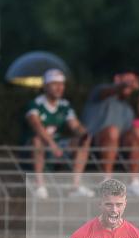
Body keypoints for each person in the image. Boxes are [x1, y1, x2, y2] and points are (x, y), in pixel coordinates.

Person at [23, 69, 93, 199]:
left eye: (62, 84)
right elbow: (36, 125)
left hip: (57, 145)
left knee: (82, 142)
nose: (59, 87)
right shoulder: (35, 104)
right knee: (38, 141)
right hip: (34, 147)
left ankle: (75, 186)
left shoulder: (64, 105)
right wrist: (51, 144)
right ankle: (40, 186)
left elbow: (75, 125)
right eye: (55, 84)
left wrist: (84, 134)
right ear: (45, 86)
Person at [81, 71, 139, 196]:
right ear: (117, 79)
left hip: (118, 146)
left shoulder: (128, 108)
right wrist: (124, 85)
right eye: (128, 81)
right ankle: (107, 181)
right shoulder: (100, 92)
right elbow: (112, 90)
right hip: (93, 142)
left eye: (133, 82)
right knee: (112, 131)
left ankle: (134, 182)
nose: (130, 85)